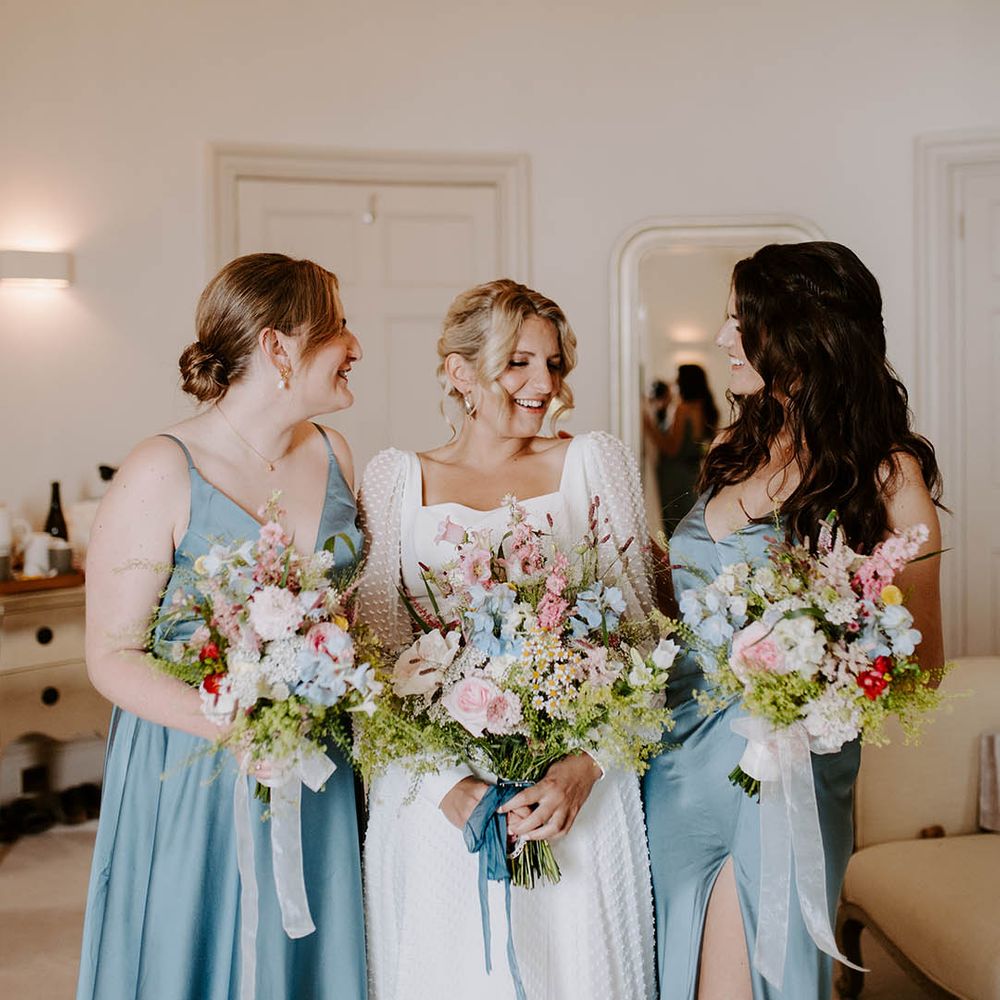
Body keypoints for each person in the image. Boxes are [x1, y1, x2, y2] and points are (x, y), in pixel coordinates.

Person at [642, 241, 945, 1000]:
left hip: (779, 771)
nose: (721, 339)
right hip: (674, 760)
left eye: (740, 321)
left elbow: (922, 665)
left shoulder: (887, 474)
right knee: (665, 961)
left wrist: (816, 671)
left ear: (804, 333)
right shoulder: (729, 447)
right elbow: (693, 604)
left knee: (753, 972)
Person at [76, 254, 367, 1000]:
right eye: (337, 329)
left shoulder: (336, 455)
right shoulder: (160, 469)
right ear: (278, 348)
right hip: (199, 771)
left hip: (318, 767)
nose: (355, 348)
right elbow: (112, 656)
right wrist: (242, 725)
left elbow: (353, 614)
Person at [358, 279, 657, 1000]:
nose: (543, 384)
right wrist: (445, 784)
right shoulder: (397, 479)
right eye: (518, 362)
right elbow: (373, 660)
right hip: (439, 797)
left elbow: (644, 644)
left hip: (573, 792)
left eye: (553, 364)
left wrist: (583, 768)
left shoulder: (593, 462)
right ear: (460, 372)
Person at [643, 364, 719, 537]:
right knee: (690, 522)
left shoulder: (683, 409)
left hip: (673, 476)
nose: (674, 382)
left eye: (678, 378)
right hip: (692, 473)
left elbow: (672, 448)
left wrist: (649, 427)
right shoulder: (705, 409)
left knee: (674, 523)